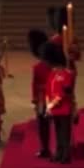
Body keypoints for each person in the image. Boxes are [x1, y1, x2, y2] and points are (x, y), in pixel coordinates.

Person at [44, 43, 76, 164]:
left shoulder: (67, 75)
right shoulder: (52, 74)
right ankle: (58, 153)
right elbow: (48, 90)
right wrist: (48, 106)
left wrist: (51, 105)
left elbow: (63, 93)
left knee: (64, 133)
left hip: (64, 108)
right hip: (54, 108)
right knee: (57, 133)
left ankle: (66, 155)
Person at [30, 30, 53, 158]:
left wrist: (34, 99)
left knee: (44, 125)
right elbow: (34, 84)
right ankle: (45, 148)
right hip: (43, 98)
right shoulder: (38, 67)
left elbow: (34, 84)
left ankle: (45, 148)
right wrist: (34, 99)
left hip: (47, 98)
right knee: (43, 125)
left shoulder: (39, 66)